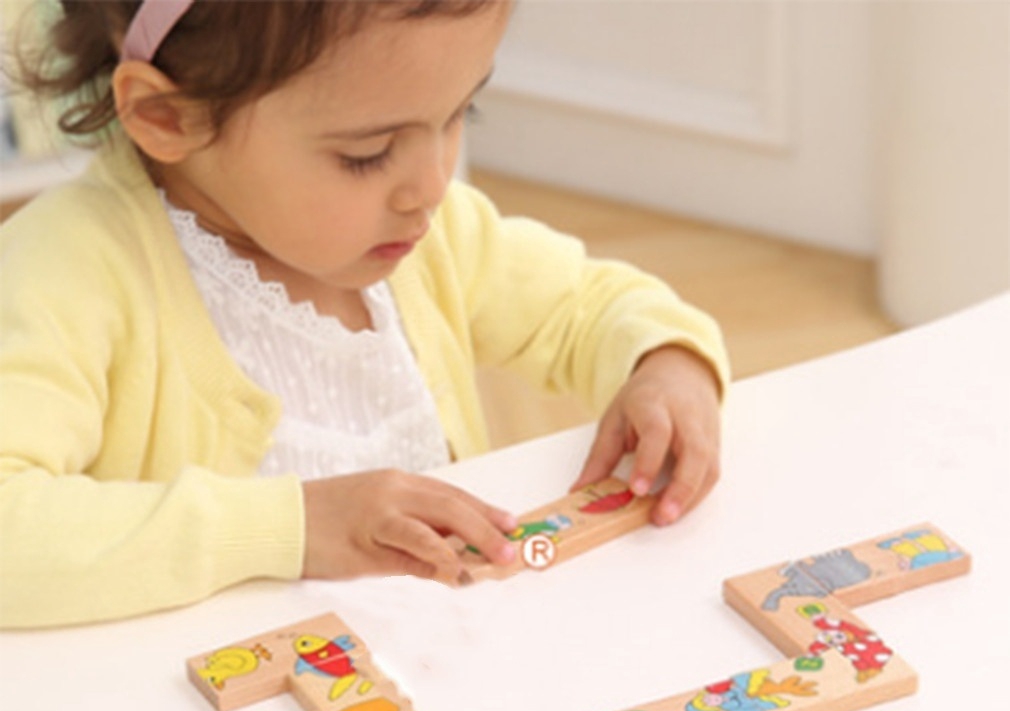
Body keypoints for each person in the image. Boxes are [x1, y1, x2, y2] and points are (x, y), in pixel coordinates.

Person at [0, 0, 729, 629]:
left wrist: (666, 365)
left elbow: (589, 307)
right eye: (367, 154)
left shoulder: (433, 237)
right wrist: (296, 526)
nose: (430, 184)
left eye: (459, 114)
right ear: (167, 117)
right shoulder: (67, 271)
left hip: (430, 693)